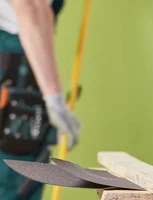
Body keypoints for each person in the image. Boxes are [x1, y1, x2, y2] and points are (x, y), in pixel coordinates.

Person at [0, 0, 81, 199]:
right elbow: (30, 6)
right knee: (14, 184)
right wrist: (54, 98)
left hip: (17, 68)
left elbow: (41, 13)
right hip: (14, 73)